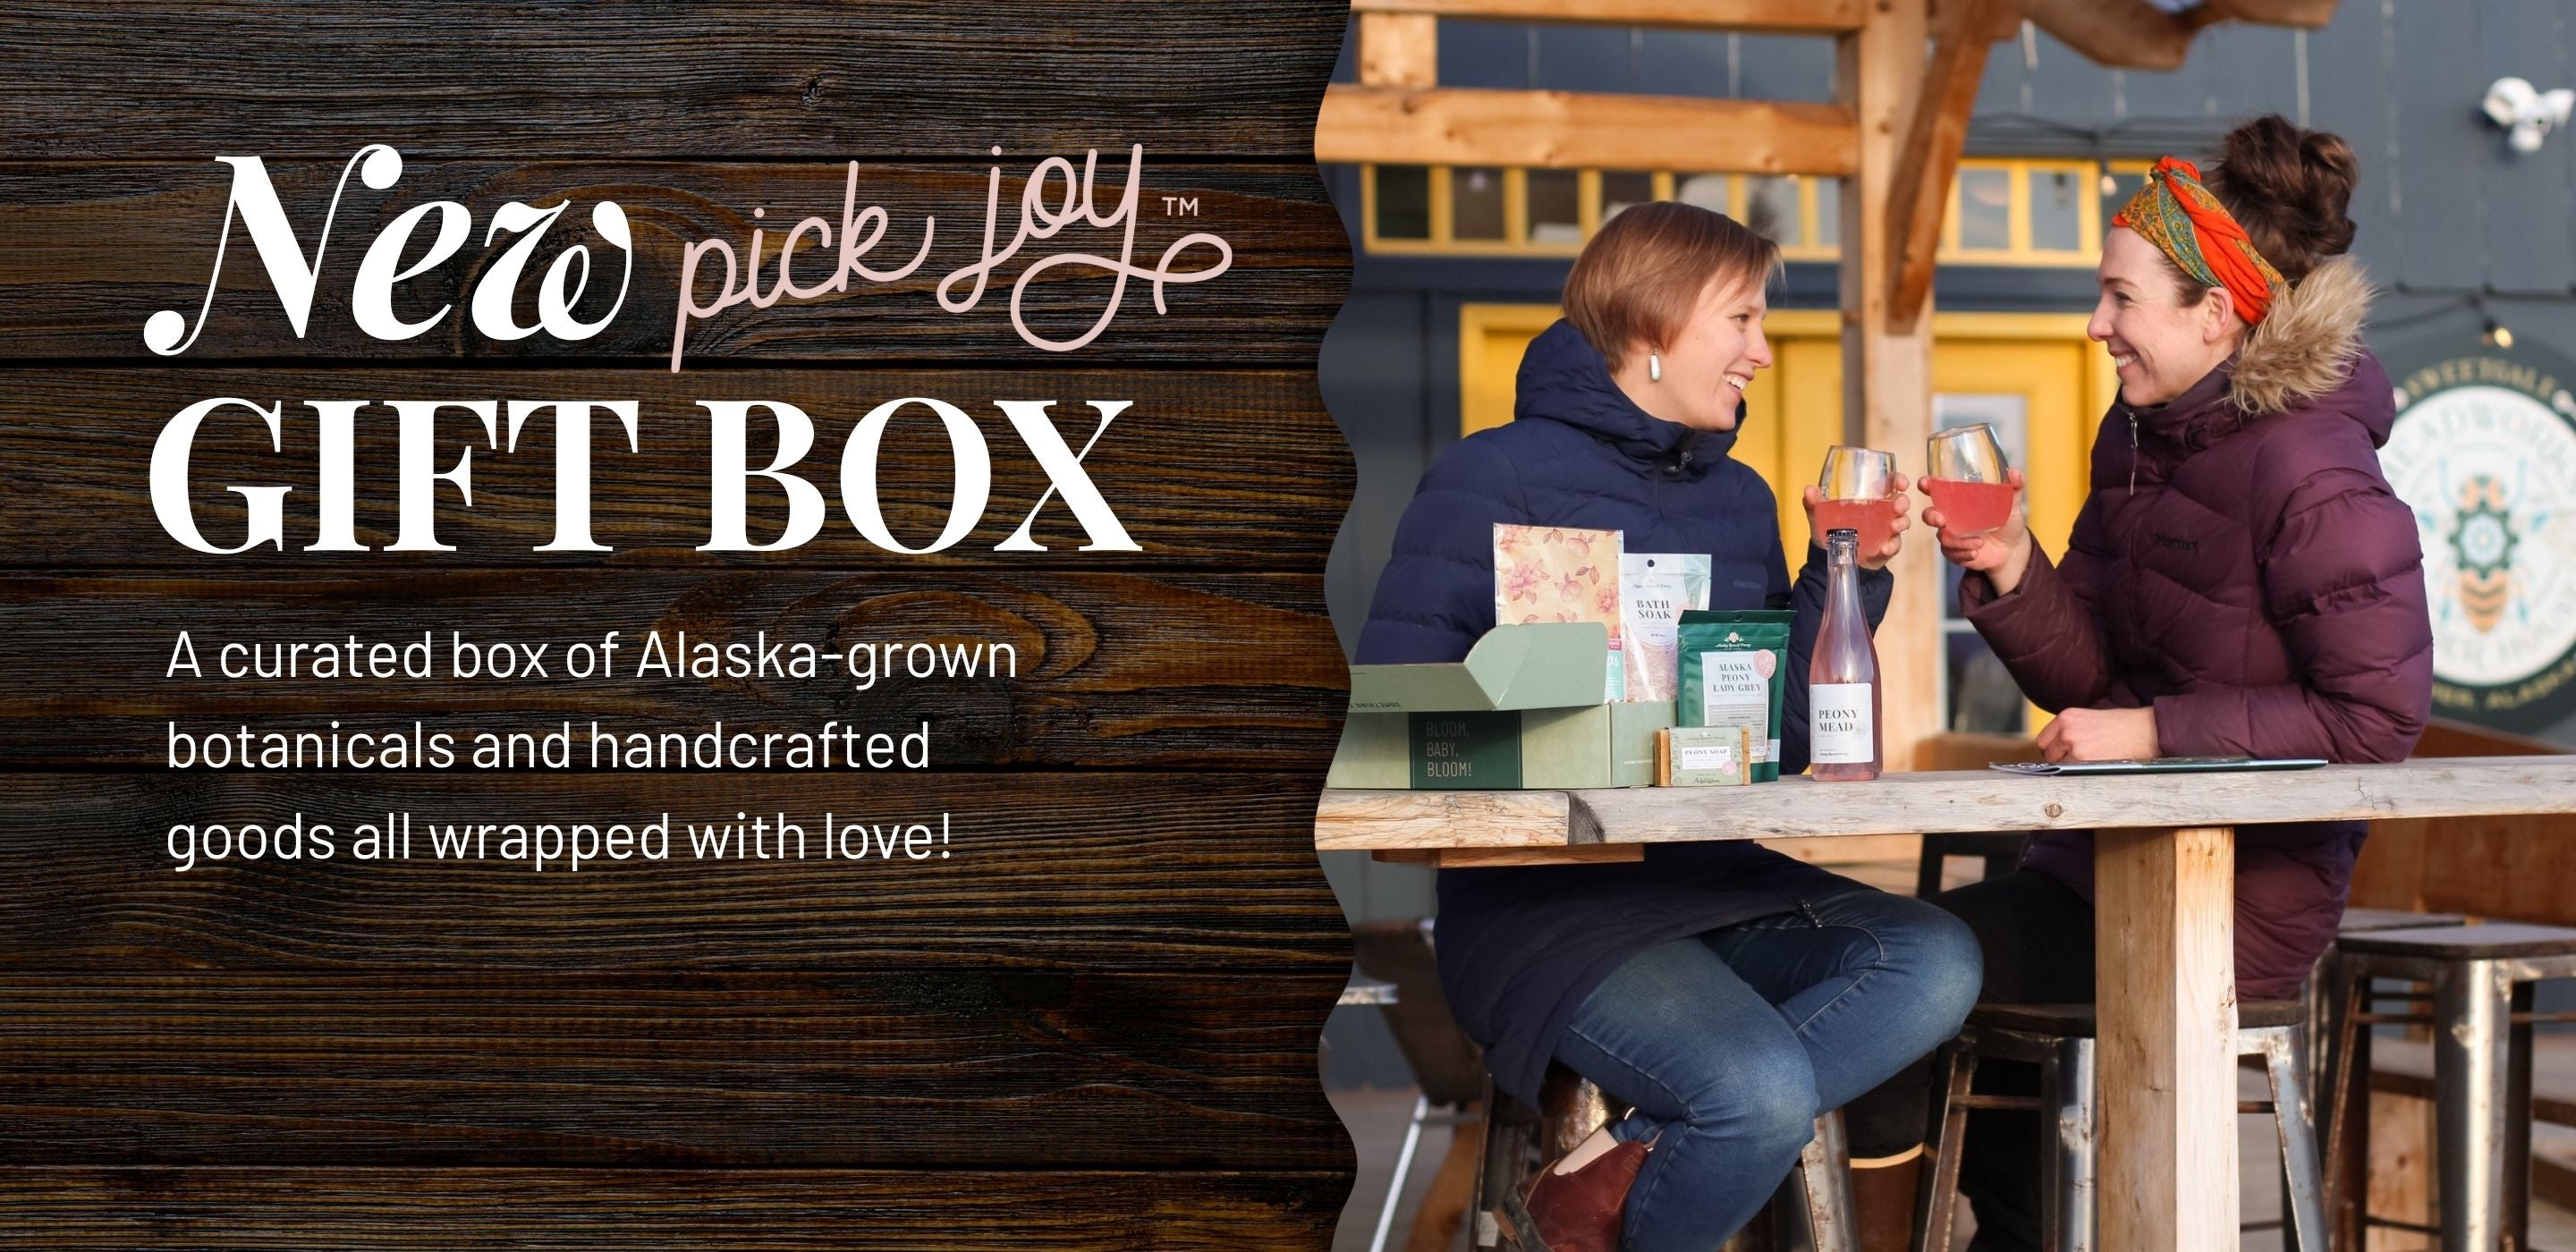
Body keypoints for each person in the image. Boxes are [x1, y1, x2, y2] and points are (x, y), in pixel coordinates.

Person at [1849, 115, 2435, 1250]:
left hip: (2223, 905)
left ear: (2216, 312)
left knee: (1888, 983)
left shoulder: (2313, 467)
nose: (2095, 323)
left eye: (2121, 297)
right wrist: (2012, 564)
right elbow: (2090, 680)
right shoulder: (2140, 439)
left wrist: (2156, 732)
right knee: (1884, 969)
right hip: (2100, 872)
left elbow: (2376, 719)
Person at [1356, 200, 1983, 1252]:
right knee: (1755, 1086)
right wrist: (1560, 726)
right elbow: (1394, 722)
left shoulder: (1738, 498)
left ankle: (1601, 1176)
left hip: (1717, 885)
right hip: (1544, 908)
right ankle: (1701, 1137)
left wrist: (1844, 579)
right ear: (1652, 322)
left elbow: (1776, 742)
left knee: (1937, 958)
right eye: (1740, 319)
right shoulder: (1487, 477)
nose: (1762, 350)